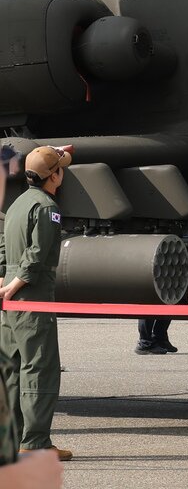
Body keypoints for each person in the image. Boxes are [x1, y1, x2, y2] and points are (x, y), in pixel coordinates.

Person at [1, 145, 74, 462]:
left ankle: (12, 441)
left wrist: (5, 284)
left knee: (12, 370)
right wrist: (17, 284)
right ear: (53, 176)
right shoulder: (47, 208)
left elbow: (5, 248)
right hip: (32, 297)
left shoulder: (16, 205)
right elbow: (37, 253)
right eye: (61, 170)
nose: (63, 174)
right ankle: (36, 443)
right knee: (40, 368)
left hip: (10, 301)